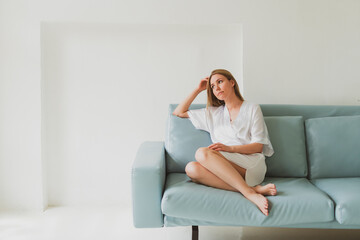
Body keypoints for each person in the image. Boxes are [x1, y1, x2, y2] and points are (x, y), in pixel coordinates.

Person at [172, 69, 277, 216]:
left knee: (202, 153)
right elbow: (178, 112)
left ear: (232, 82)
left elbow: (258, 147)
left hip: (251, 164)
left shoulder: (252, 108)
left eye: (220, 82)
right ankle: (252, 190)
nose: (217, 88)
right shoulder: (213, 113)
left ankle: (249, 193)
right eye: (213, 86)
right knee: (191, 169)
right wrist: (198, 89)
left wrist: (230, 148)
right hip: (227, 168)